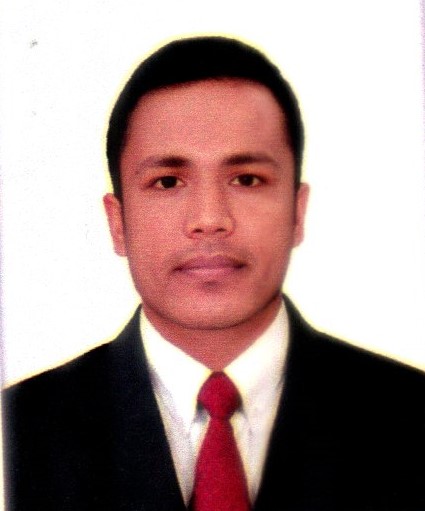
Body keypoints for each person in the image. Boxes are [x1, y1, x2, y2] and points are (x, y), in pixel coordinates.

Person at [3, 36, 425, 511]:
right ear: (117, 223)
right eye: (168, 182)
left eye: (246, 179)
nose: (209, 219)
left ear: (297, 212)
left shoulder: (414, 418)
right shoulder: (16, 430)